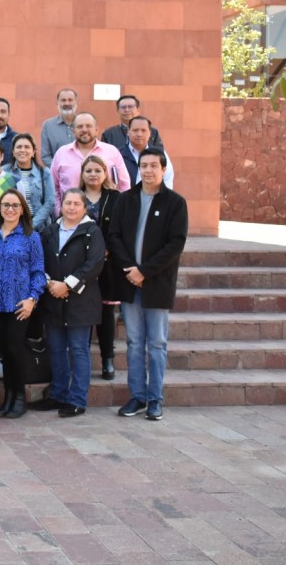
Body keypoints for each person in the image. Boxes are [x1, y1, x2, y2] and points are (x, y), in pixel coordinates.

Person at [108, 147, 188, 421]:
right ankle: (137, 397)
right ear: (138, 168)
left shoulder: (175, 203)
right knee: (133, 343)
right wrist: (131, 270)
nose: (148, 170)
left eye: (154, 165)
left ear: (164, 169)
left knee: (156, 343)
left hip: (157, 284)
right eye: (144, 165)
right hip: (130, 283)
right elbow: (114, 236)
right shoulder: (126, 199)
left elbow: (175, 243)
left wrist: (145, 271)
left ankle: (155, 399)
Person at [29, 189, 106, 418]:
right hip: (53, 299)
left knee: (79, 350)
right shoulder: (51, 230)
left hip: (81, 301)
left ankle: (77, 399)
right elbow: (39, 259)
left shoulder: (92, 231)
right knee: (56, 349)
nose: (71, 207)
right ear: (61, 206)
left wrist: (67, 285)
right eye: (67, 203)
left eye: (76, 204)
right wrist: (50, 284)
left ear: (84, 207)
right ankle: (58, 395)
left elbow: (93, 264)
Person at [0, 189, 45, 419]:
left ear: (22, 210)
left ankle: (20, 397)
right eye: (6, 205)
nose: (10, 209)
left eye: (15, 205)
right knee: (3, 351)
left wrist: (32, 298)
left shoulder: (31, 236)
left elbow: (38, 272)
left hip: (20, 303)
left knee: (15, 349)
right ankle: (8, 396)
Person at [80, 155, 122, 380]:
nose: (93, 174)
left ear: (105, 173)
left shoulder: (115, 198)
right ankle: (82, 357)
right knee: (84, 311)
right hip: (82, 263)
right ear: (82, 174)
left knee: (106, 313)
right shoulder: (76, 197)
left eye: (97, 170)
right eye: (88, 170)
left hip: (108, 263)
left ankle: (108, 359)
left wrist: (105, 250)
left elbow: (120, 228)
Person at [50, 112, 131, 214]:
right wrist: (59, 212)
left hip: (107, 216)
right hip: (70, 216)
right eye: (80, 126)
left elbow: (124, 185)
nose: (84, 129)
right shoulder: (62, 153)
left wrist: (120, 212)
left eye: (88, 126)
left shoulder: (111, 151)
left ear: (96, 129)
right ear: (73, 131)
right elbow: (53, 188)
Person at [7, 133, 55, 232]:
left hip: (40, 228)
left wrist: (31, 224)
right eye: (19, 147)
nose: (22, 150)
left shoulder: (44, 173)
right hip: (12, 227)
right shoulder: (4, 172)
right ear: (13, 151)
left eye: (27, 147)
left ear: (33, 152)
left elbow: (50, 202)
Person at [121, 116, 175, 189]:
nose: (139, 134)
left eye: (143, 130)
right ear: (128, 132)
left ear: (149, 133)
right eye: (135, 130)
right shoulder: (119, 154)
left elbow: (167, 178)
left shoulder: (160, 153)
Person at [38, 88, 79, 166]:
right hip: (58, 175)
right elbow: (46, 157)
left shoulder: (84, 124)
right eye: (63, 100)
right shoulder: (48, 126)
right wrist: (61, 169)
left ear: (76, 102)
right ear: (57, 103)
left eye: (70, 100)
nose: (67, 103)